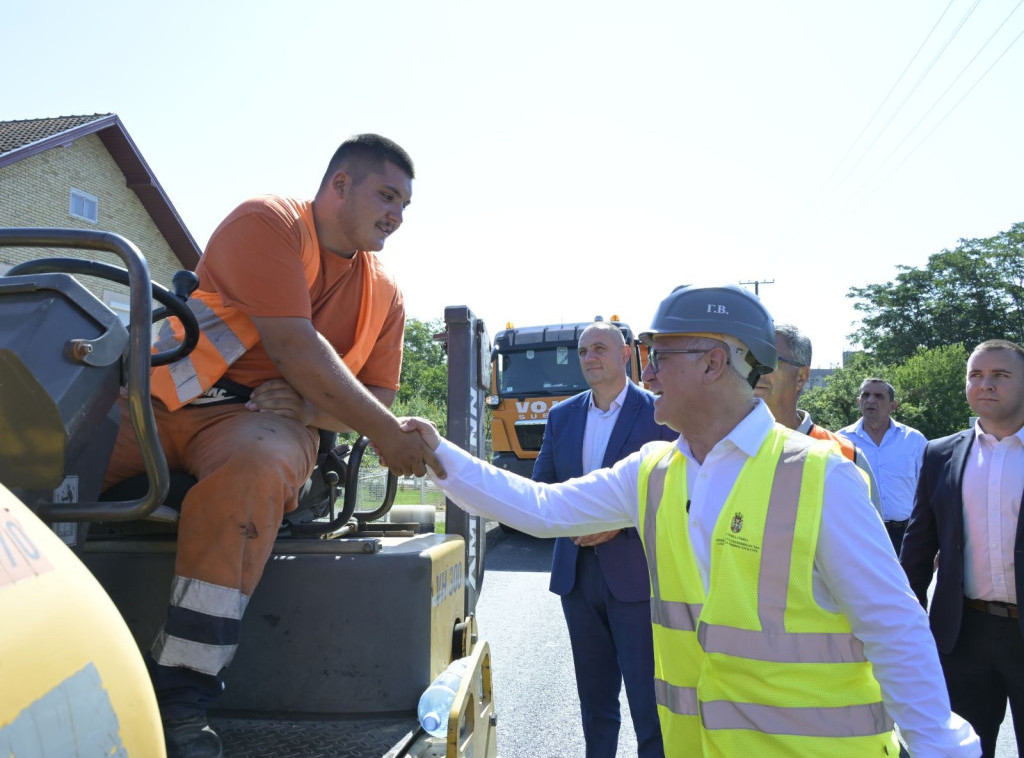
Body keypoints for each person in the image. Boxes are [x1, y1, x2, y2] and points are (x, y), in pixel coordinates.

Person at [402, 284, 980, 757]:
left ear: (713, 362)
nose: (647, 375)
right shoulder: (655, 470)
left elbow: (894, 627)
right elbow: (542, 507)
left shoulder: (821, 476)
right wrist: (436, 453)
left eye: (659, 357)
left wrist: (938, 745)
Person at [102, 134, 441, 758]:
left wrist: (312, 410)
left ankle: (182, 693)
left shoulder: (386, 295)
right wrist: (383, 433)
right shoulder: (268, 223)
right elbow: (293, 345)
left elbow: (379, 394)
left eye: (404, 204)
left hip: (259, 424)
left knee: (254, 470)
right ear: (340, 184)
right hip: (160, 402)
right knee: (48, 458)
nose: (397, 214)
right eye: (386, 195)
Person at [534, 321, 674, 758]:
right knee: (594, 704)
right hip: (577, 579)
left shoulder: (659, 413)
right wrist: (571, 520)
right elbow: (544, 485)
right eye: (583, 351)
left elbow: (678, 491)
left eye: (599, 348)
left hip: (637, 580)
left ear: (626, 353)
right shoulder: (562, 416)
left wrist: (621, 523)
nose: (589, 357)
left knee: (650, 705)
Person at [901, 339, 1024, 758]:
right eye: (976, 375)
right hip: (963, 635)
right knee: (963, 751)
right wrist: (905, 625)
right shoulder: (941, 454)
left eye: (1000, 375)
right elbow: (918, 549)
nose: (985, 384)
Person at [753, 323, 883, 515]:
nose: (757, 369)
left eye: (770, 360)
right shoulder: (721, 445)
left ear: (801, 377)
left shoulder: (846, 455)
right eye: (751, 359)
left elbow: (869, 533)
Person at [838, 378, 927, 555]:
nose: (871, 400)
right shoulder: (841, 441)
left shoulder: (913, 440)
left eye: (879, 396)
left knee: (909, 575)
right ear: (858, 402)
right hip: (859, 535)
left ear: (893, 405)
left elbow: (929, 490)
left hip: (906, 535)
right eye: (866, 395)